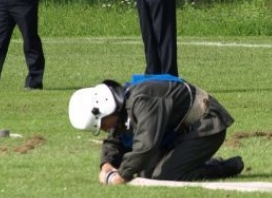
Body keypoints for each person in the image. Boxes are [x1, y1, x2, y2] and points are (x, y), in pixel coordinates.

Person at [68, 74, 245, 184]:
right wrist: (107, 165)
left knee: (165, 175)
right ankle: (191, 160)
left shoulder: (143, 101)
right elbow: (115, 138)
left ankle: (226, 167)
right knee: (145, 171)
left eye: (103, 124)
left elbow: (146, 146)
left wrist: (122, 175)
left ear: (108, 109)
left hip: (207, 125)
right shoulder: (122, 107)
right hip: (184, 129)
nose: (106, 130)